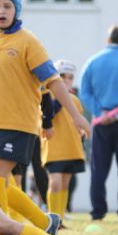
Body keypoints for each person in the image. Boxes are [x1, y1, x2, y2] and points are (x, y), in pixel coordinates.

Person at [0, 0, 90, 235]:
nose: (2, 10)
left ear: (17, 10)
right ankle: (47, 222)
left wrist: (76, 115)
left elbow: (53, 81)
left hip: (19, 125)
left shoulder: (28, 41)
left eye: (7, 6)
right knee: (3, 185)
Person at [80, 25, 118, 222]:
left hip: (100, 123)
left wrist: (100, 111)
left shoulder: (92, 62)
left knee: (99, 169)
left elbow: (84, 92)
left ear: (108, 40)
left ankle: (97, 211)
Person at [41, 60, 85, 221]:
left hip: (71, 146)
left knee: (65, 183)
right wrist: (61, 96)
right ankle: (52, 217)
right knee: (56, 182)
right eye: (62, 76)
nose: (67, 79)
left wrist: (82, 131)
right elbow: (48, 114)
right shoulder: (47, 96)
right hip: (53, 146)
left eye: (70, 77)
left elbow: (77, 120)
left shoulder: (75, 100)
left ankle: (60, 216)